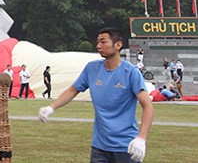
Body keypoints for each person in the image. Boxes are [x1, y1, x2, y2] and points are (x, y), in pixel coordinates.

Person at [39, 27, 153, 162]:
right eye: (98, 42)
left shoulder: (131, 72)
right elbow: (72, 90)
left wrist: (141, 138)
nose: (98, 46)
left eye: (103, 42)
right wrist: (51, 107)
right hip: (99, 147)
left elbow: (148, 106)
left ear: (118, 45)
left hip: (126, 146)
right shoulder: (92, 68)